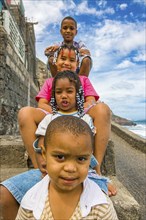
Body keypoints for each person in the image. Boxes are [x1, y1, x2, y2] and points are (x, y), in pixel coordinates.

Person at [16, 116, 118, 220]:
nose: (70, 168)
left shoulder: (100, 206)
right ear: (44, 154)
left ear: (90, 158)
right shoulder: (30, 202)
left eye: (81, 159)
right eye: (60, 157)